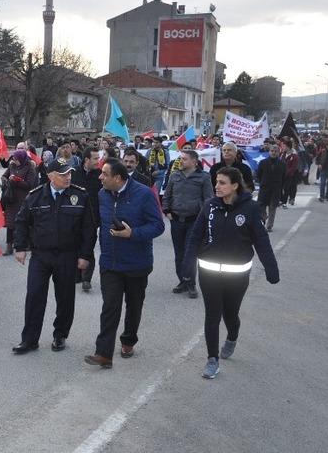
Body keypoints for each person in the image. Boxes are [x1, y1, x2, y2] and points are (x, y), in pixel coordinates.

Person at [182, 167, 279, 379]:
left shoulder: (251, 209)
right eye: (216, 182)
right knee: (212, 316)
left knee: (230, 314)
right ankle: (212, 360)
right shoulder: (209, 206)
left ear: (235, 185)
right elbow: (195, 236)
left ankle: (232, 336)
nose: (217, 186)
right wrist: (187, 265)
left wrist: (271, 268)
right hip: (208, 273)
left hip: (237, 275)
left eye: (222, 182)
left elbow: (261, 241)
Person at [85, 158, 165, 369]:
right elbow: (98, 225)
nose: (100, 177)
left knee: (134, 306)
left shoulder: (144, 194)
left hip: (137, 263)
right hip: (110, 262)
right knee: (110, 306)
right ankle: (103, 354)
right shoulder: (102, 195)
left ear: (118, 178)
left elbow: (158, 226)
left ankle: (128, 340)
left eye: (104, 174)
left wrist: (133, 234)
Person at [12, 157, 96, 354]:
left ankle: (60, 335)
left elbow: (89, 228)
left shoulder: (80, 196)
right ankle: (30, 339)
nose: (68, 177)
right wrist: (20, 247)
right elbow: (21, 222)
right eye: (63, 174)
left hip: (68, 255)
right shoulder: (35, 196)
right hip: (41, 255)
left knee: (65, 297)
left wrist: (85, 255)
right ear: (50, 176)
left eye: (69, 173)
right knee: (34, 296)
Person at [162, 149, 212, 297]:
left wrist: (202, 218)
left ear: (194, 162)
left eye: (184, 159)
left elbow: (208, 199)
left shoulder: (204, 177)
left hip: (194, 221)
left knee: (190, 254)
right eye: (180, 158)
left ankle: (191, 284)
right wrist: (167, 211)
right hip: (176, 220)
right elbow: (167, 194)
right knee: (179, 253)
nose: (181, 161)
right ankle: (182, 281)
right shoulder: (175, 175)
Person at [71, 147, 103, 292]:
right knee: (75, 245)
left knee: (88, 245)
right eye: (95, 158)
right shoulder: (74, 173)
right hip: (75, 217)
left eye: (99, 158)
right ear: (86, 160)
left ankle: (86, 278)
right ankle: (77, 274)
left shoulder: (101, 175)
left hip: (93, 217)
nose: (98, 161)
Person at [0, 150, 39, 256]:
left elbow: (30, 184)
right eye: (14, 159)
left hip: (23, 199)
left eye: (16, 159)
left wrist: (17, 181)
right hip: (11, 198)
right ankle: (9, 247)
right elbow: (4, 175)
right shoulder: (12, 166)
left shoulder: (29, 168)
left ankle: (24, 244)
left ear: (22, 159)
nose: (14, 161)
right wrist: (5, 179)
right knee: (10, 223)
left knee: (22, 222)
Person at [255, 144, 286, 232]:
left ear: (279, 153)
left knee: (272, 208)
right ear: (269, 152)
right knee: (261, 207)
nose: (273, 153)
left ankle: (269, 225)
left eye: (275, 151)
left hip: (276, 189)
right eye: (272, 151)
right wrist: (263, 182)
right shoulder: (263, 162)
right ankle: (263, 219)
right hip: (264, 188)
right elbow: (259, 175)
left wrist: (281, 187)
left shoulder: (282, 164)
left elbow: (284, 177)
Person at [279, 140, 299, 208]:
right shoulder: (282, 154)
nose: (282, 147)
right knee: (279, 188)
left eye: (284, 146)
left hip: (289, 175)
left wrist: (286, 172)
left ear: (288, 147)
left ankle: (284, 202)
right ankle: (281, 200)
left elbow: (293, 167)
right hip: (281, 174)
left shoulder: (294, 156)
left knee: (286, 189)